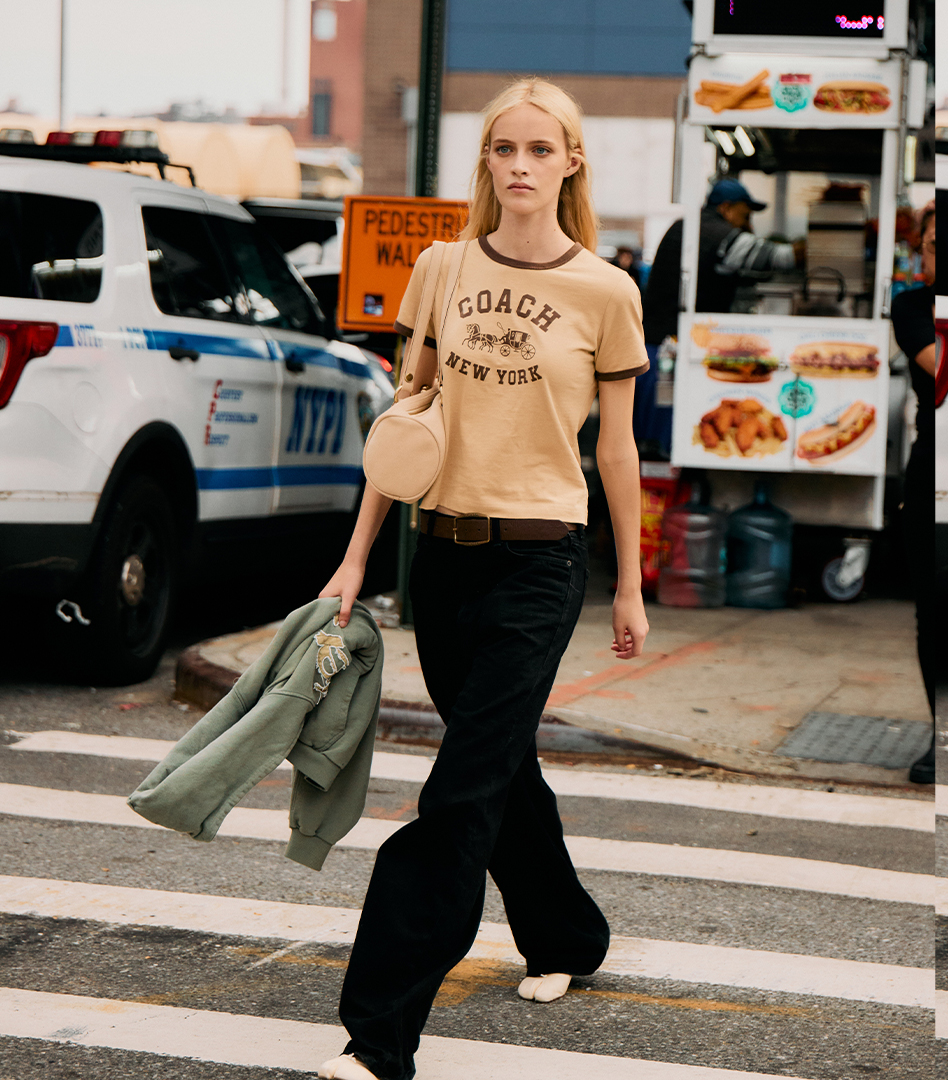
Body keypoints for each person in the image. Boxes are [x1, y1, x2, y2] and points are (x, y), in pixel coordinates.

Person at [314, 77, 650, 1080]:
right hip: (443, 562)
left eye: (540, 151)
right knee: (497, 766)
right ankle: (567, 937)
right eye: (504, 149)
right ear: (486, 162)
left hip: (541, 561)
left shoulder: (607, 290)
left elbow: (621, 455)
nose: (518, 166)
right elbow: (401, 424)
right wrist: (358, 557)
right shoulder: (441, 268)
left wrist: (630, 583)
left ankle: (379, 1036)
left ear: (570, 163)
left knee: (459, 796)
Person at [641, 177, 799, 343]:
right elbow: (782, 257)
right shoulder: (720, 235)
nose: (749, 226)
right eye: (746, 217)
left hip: (657, 334)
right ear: (726, 208)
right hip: (676, 337)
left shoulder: (685, 225)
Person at [891, 202, 936, 785]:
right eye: (929, 244)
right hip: (930, 463)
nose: (936, 254)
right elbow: (944, 366)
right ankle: (935, 731)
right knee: (930, 608)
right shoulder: (911, 306)